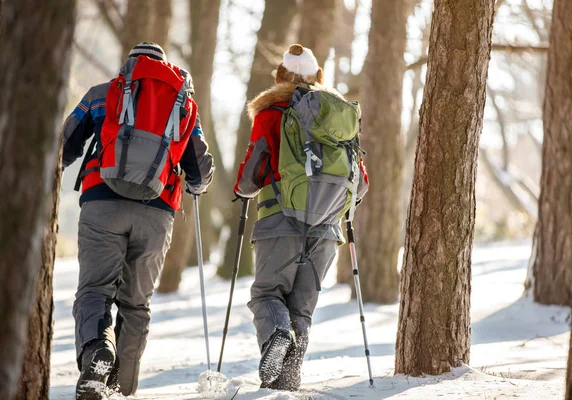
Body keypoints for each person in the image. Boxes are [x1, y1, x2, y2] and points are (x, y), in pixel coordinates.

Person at [61, 42, 214, 399]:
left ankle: (97, 349)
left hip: (102, 202)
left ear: (127, 67)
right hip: (157, 212)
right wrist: (196, 185)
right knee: (136, 304)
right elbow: (200, 171)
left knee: (94, 290)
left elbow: (64, 146)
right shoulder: (183, 106)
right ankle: (122, 390)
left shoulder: (102, 95)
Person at [234, 44, 368, 391]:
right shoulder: (337, 118)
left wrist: (243, 189)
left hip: (280, 221)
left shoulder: (270, 112)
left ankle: (277, 334)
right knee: (302, 309)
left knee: (266, 295)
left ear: (279, 77)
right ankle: (286, 384)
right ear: (318, 77)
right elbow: (362, 183)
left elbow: (250, 177)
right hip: (327, 230)